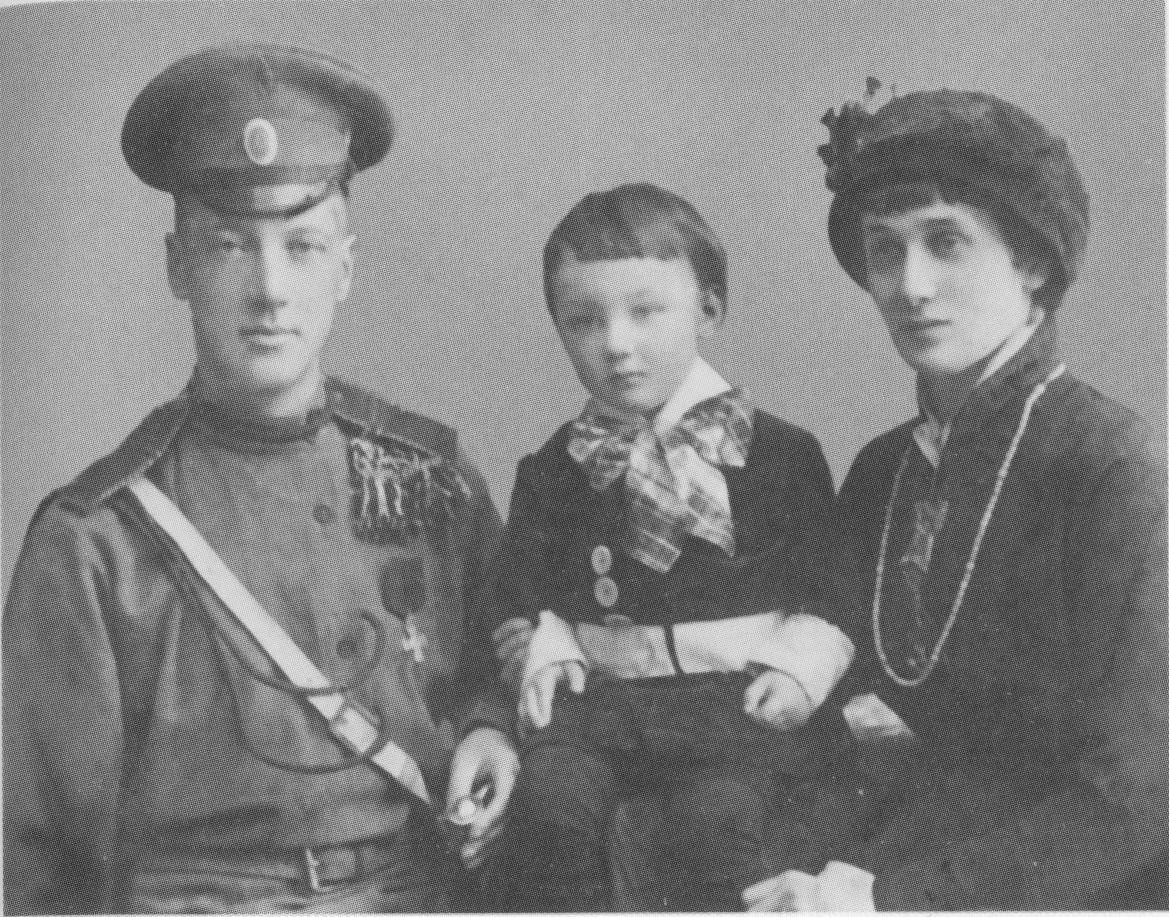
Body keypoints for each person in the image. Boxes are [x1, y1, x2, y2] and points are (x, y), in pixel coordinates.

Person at [3, 44, 517, 914]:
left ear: (345, 267)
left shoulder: (430, 481)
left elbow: (500, 668)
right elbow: (39, 861)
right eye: (231, 245)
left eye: (302, 245)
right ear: (178, 266)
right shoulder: (96, 541)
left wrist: (492, 730)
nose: (270, 289)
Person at [743, 85, 1169, 911]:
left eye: (945, 242)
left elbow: (1137, 793)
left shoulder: (1112, 470)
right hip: (895, 840)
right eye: (885, 249)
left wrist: (888, 900)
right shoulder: (881, 472)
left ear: (1031, 261)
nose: (910, 286)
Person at [482, 183, 858, 910]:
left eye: (646, 312)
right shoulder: (555, 468)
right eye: (584, 321)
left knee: (719, 818)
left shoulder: (777, 456)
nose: (616, 344)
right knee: (554, 801)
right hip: (604, 705)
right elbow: (519, 593)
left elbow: (832, 586)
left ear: (708, 310)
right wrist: (545, 648)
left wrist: (799, 670)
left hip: (737, 706)